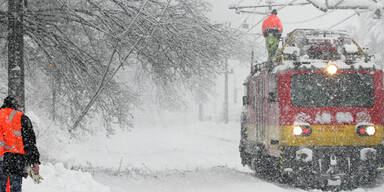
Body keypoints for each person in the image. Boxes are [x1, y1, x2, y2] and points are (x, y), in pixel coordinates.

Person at [0, 96, 40, 192]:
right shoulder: (22, 118)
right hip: (15, 162)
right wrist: (34, 162)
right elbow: (30, 143)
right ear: (16, 106)